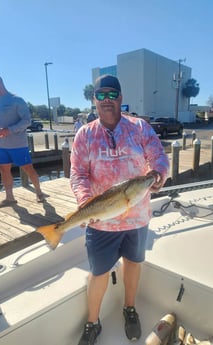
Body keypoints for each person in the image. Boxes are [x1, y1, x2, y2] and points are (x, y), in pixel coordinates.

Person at [70, 74, 169, 345]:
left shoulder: (140, 127)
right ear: (94, 100)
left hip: (136, 216)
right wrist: (84, 201)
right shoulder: (84, 134)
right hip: (100, 220)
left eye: (112, 95)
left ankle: (129, 308)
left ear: (121, 99)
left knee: (133, 264)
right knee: (99, 272)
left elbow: (159, 157)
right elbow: (78, 173)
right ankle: (93, 322)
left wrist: (158, 173)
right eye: (101, 95)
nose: (106, 100)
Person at [0, 73, 45, 208]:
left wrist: (9, 130)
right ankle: (9, 198)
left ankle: (39, 192)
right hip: (1, 145)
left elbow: (27, 121)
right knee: (3, 170)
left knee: (28, 169)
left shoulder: (17, 100)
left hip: (18, 145)